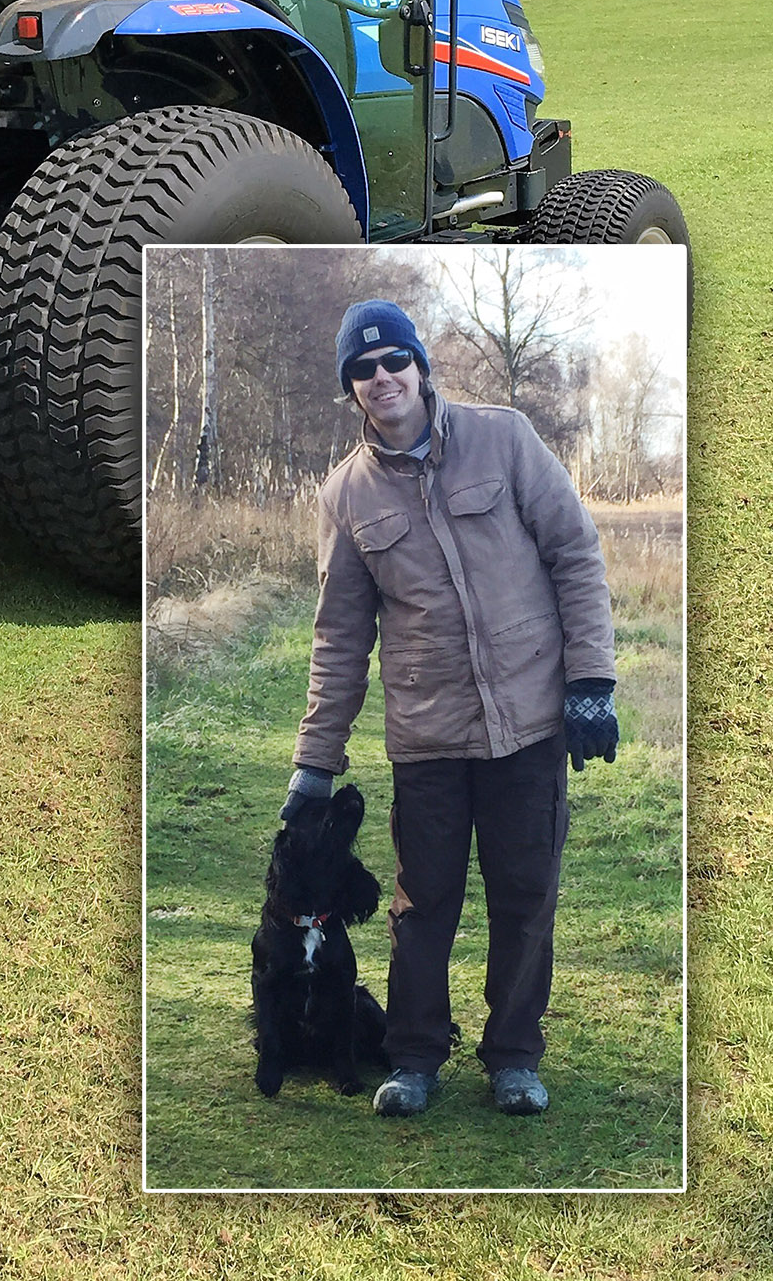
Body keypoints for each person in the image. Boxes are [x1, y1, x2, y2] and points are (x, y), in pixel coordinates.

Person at [279, 299, 621, 1119]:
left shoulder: (502, 439)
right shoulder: (345, 496)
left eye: (393, 360)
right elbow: (338, 638)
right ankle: (414, 1058)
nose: (380, 378)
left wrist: (591, 682)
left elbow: (574, 553)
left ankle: (512, 1057)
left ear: (420, 367)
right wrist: (314, 766)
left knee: (524, 893)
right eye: (361, 370)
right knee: (421, 904)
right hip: (427, 736)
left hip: (529, 726)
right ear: (350, 389)